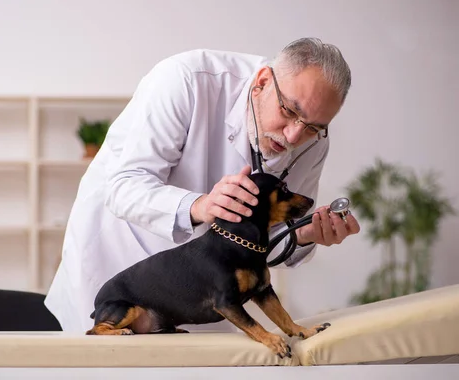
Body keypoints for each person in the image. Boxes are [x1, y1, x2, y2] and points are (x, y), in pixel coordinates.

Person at [44, 37, 361, 333]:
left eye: (312, 127)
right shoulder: (186, 80)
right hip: (118, 273)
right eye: (289, 111)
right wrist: (199, 206)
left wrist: (302, 234)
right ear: (262, 82)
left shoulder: (314, 142)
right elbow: (124, 187)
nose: (293, 136)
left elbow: (262, 244)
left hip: (204, 297)